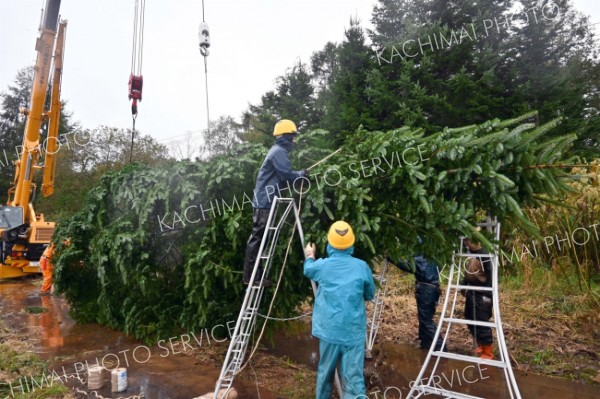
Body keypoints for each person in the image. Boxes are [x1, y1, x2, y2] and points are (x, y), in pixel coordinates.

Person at [304, 221, 376, 399]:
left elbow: (308, 269)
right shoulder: (362, 267)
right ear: (351, 243)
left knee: (325, 373)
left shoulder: (323, 266)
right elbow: (369, 294)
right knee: (354, 379)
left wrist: (310, 255)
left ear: (330, 243)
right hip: (353, 332)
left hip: (329, 331)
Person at [243, 119, 308, 287]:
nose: (294, 140)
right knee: (258, 238)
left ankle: (255, 275)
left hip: (266, 199)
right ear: (287, 135)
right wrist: (302, 174)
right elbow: (286, 174)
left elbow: (282, 178)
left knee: (261, 239)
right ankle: (251, 276)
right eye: (293, 136)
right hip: (265, 201)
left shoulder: (277, 151)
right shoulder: (279, 152)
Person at [387, 253, 444, 351]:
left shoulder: (420, 259)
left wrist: (391, 257)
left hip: (426, 290)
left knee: (426, 319)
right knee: (424, 318)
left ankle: (439, 346)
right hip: (431, 289)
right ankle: (426, 343)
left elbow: (406, 266)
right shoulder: (431, 257)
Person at [462, 237, 494, 359]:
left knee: (481, 321)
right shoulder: (471, 255)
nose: (466, 244)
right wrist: (463, 285)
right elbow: (467, 273)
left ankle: (488, 352)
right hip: (472, 291)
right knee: (469, 317)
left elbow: (491, 276)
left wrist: (488, 293)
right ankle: (481, 344)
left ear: (476, 241)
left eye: (468, 241)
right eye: (465, 241)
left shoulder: (485, 255)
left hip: (482, 293)